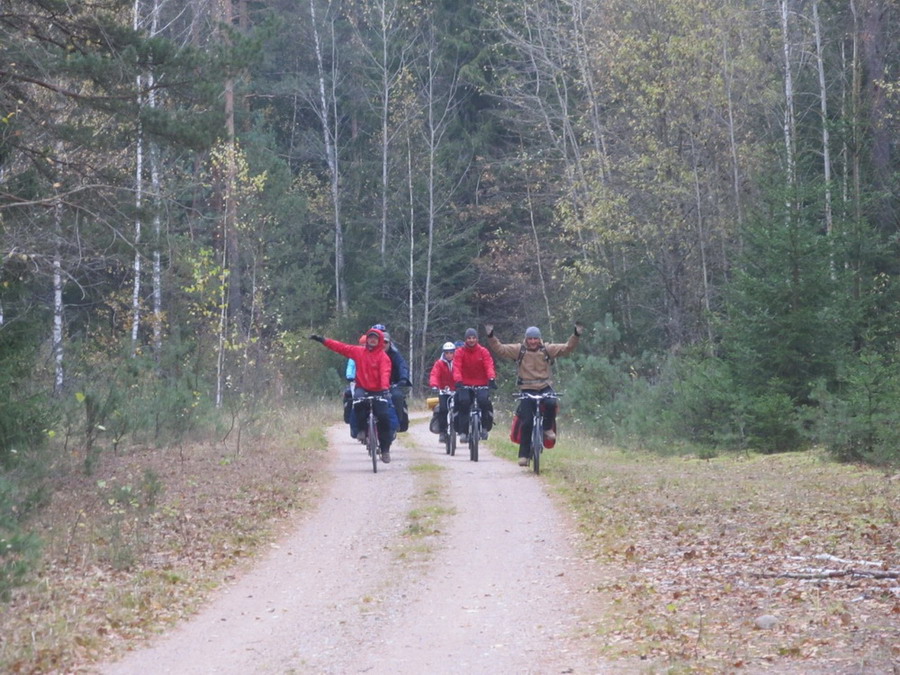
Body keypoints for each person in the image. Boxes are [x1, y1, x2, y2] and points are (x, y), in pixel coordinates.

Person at [486, 322, 584, 466]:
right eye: (530, 339)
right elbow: (500, 349)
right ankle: (524, 455)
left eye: (535, 339)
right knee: (526, 422)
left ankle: (547, 428)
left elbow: (567, 348)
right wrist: (491, 336)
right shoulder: (519, 350)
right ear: (526, 339)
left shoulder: (547, 349)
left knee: (551, 402)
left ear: (539, 339)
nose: (533, 341)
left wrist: (576, 335)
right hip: (527, 388)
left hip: (545, 385)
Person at [309, 328, 395, 463]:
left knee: (384, 418)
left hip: (379, 390)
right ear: (366, 339)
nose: (372, 340)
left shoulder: (383, 357)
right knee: (358, 403)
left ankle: (385, 450)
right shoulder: (358, 351)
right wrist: (323, 340)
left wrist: (385, 389)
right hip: (362, 387)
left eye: (375, 338)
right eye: (370, 337)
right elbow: (340, 347)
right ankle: (361, 429)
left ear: (379, 341)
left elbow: (385, 373)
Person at [453, 327, 496, 443]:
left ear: (477, 339)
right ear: (465, 339)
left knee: (484, 402)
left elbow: (488, 365)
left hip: (481, 383)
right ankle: (463, 431)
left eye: (473, 338)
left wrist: (491, 378)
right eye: (469, 338)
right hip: (465, 384)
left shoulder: (483, 351)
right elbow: (457, 367)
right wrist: (458, 380)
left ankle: (485, 428)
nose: (471, 340)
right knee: (464, 403)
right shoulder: (460, 352)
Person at [377, 325, 412, 432]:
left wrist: (403, 378)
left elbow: (402, 365)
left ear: (390, 343)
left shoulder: (395, 354)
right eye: (381, 341)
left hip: (392, 384)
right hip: (373, 385)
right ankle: (364, 427)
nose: (383, 344)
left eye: (385, 342)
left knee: (397, 396)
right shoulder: (370, 353)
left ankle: (397, 423)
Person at [428, 342, 457, 443]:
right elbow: (434, 375)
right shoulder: (439, 363)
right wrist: (434, 385)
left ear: (454, 353)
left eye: (451, 353)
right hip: (444, 391)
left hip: (456, 390)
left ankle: (463, 429)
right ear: (444, 353)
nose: (449, 355)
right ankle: (443, 432)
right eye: (447, 353)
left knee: (462, 407)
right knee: (443, 410)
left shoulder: (458, 363)